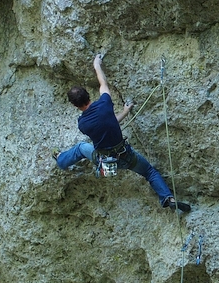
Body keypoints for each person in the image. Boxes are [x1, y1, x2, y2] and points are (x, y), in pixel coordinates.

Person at [55, 53, 191, 212]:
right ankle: (168, 198)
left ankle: (60, 160)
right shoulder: (105, 104)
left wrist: (125, 112)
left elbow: (106, 125)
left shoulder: (83, 123)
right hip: (126, 156)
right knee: (149, 172)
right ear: (88, 95)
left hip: (106, 161)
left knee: (80, 148)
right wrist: (97, 65)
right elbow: (103, 83)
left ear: (75, 105)